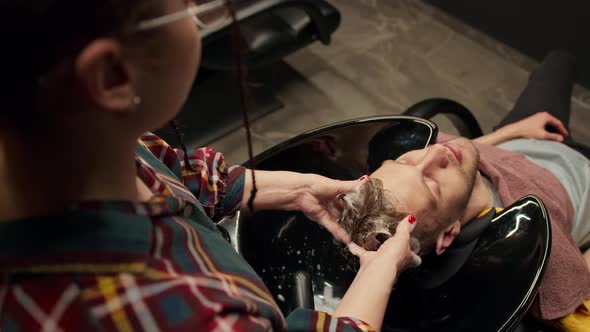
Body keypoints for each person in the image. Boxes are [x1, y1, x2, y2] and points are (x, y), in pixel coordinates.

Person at [0, 0, 422, 331]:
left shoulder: (77, 139)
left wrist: (295, 190)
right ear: (113, 76)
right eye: (186, 5)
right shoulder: (180, 316)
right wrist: (380, 271)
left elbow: (166, 169)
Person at [340, 50, 590, 331]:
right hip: (581, 168)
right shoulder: (528, 243)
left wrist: (513, 132)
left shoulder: (452, 161)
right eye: (431, 184)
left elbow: (465, 150)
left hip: (526, 138)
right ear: (449, 233)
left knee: (559, 60)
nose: (435, 153)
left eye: (404, 160)